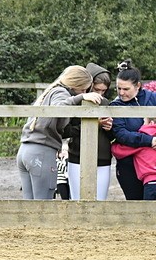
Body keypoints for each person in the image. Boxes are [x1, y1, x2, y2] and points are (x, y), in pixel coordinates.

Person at [16, 66, 102, 200]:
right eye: (83, 89)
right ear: (75, 85)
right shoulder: (61, 93)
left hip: (25, 151)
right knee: (44, 205)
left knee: (29, 206)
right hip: (41, 153)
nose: (85, 92)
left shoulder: (50, 92)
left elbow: (62, 129)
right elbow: (59, 109)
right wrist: (81, 97)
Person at [64, 63, 113, 201]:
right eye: (97, 90)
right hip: (77, 155)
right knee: (77, 200)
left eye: (103, 91)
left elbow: (112, 137)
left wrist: (110, 128)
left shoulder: (106, 103)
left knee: (100, 201)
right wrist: (93, 124)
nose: (100, 95)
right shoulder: (75, 102)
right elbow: (66, 131)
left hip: (103, 158)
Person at [109, 59, 156, 200]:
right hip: (128, 165)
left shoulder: (152, 98)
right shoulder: (115, 106)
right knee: (135, 206)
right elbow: (121, 135)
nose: (121, 93)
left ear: (138, 86)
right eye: (118, 88)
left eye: (126, 89)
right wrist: (150, 140)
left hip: (151, 163)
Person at [111, 118, 156, 200]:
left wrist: (114, 145)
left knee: (149, 211)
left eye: (143, 121)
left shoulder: (144, 140)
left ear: (151, 123)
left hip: (152, 182)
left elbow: (119, 151)